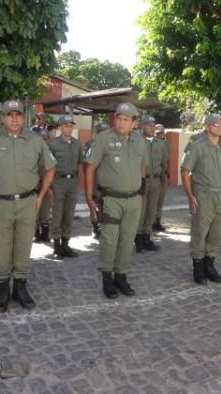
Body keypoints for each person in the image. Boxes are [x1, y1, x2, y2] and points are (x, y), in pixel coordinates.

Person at [0, 100, 56, 313]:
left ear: (23, 117)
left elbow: (50, 167)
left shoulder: (36, 140)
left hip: (28, 202)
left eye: (18, 114)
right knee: (1, 246)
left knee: (24, 244)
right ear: (3, 119)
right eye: (10, 115)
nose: (15, 118)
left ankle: (20, 285)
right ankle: (2, 287)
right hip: (1, 202)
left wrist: (41, 195)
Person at [85, 102, 146, 299]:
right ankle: (107, 278)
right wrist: (88, 197)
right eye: (118, 118)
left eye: (126, 119)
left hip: (133, 199)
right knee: (109, 240)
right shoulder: (103, 139)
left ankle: (121, 276)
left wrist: (140, 188)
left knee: (127, 240)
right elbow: (90, 168)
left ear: (134, 123)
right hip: (110, 199)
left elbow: (141, 167)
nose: (121, 122)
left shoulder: (139, 141)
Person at [181, 113, 221, 284]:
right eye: (217, 124)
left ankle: (209, 265)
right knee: (200, 231)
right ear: (207, 126)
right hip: (203, 194)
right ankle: (198, 267)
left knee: (217, 232)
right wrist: (190, 196)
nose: (220, 127)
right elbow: (185, 171)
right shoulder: (197, 144)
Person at [47, 114, 83, 258]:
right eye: (66, 125)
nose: (69, 128)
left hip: (72, 183)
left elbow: (80, 164)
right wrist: (48, 187)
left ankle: (65, 244)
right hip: (57, 182)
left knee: (69, 214)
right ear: (60, 127)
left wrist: (80, 183)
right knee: (57, 214)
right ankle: (56, 247)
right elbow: (47, 167)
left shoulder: (77, 144)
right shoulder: (52, 144)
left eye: (71, 125)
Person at [135, 115, 167, 252]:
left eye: (154, 125)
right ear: (142, 126)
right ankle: (138, 240)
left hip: (155, 181)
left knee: (151, 211)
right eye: (149, 125)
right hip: (140, 181)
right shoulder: (136, 141)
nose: (152, 128)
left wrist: (163, 180)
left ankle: (147, 238)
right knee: (140, 213)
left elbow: (164, 163)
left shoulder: (160, 143)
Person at [84, 122, 109, 238]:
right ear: (97, 133)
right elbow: (87, 165)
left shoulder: (112, 144)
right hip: (95, 179)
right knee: (96, 202)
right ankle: (96, 226)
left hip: (108, 180)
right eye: (101, 132)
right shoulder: (91, 145)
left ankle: (104, 226)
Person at [34, 123, 56, 243]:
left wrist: (49, 187)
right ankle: (36, 234)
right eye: (41, 139)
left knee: (45, 211)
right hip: (34, 187)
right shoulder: (31, 153)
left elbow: (51, 170)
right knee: (35, 211)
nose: (43, 141)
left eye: (45, 139)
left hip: (46, 186)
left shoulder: (48, 153)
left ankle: (45, 234)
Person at [153, 123, 170, 232]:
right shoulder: (151, 144)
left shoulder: (166, 144)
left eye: (161, 133)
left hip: (164, 175)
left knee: (161, 200)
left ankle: (157, 221)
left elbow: (167, 160)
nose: (160, 135)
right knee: (153, 201)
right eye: (158, 133)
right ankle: (150, 222)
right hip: (155, 176)